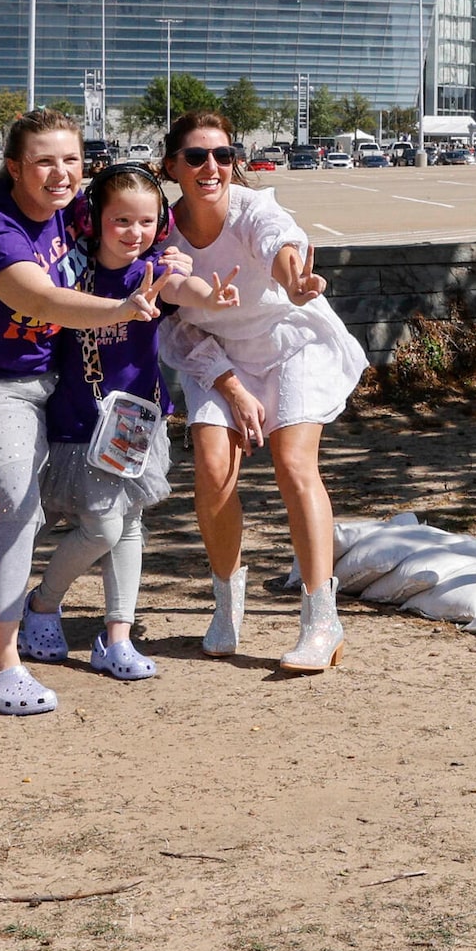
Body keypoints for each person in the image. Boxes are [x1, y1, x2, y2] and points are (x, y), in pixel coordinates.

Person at [0, 109, 170, 718]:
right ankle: (2, 665)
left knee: (51, 512)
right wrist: (125, 310)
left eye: (72, 160)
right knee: (16, 507)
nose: (61, 174)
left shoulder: (71, 207)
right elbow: (43, 298)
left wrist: (180, 264)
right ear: (14, 168)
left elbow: (145, 218)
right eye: (45, 162)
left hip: (48, 383)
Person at [159, 109, 371, 670]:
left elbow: (279, 239)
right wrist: (231, 388)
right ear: (171, 165)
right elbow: (176, 319)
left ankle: (321, 619)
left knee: (292, 462)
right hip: (215, 355)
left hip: (288, 342)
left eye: (224, 155)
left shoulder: (254, 209)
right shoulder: (161, 229)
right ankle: (227, 605)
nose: (212, 167)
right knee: (211, 466)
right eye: (197, 156)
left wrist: (295, 279)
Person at [18, 163, 233, 680]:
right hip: (80, 422)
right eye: (121, 221)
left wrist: (212, 297)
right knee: (102, 526)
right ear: (95, 220)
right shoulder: (70, 274)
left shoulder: (154, 269)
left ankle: (116, 636)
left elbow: (181, 289)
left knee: (129, 524)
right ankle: (42, 605)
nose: (133, 233)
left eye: (145, 222)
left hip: (138, 422)